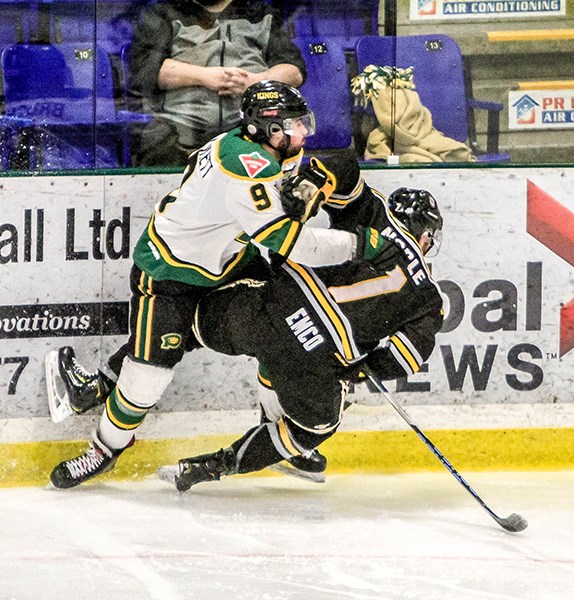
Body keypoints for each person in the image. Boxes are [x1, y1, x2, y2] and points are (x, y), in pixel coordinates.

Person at [47, 82, 400, 489]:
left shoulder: (271, 151)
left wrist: (312, 187)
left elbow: (303, 182)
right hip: (171, 271)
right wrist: (362, 245)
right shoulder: (244, 168)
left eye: (304, 122)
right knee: (149, 373)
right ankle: (103, 450)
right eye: (294, 125)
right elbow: (292, 242)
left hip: (230, 258)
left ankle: (278, 433)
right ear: (265, 129)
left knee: (279, 328)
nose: (304, 133)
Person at [157, 184, 445, 492]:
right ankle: (216, 465)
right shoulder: (430, 298)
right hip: (314, 358)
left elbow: (304, 230)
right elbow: (406, 356)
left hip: (267, 310)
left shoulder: (371, 210)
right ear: (425, 234)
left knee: (182, 330)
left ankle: (115, 379)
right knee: (312, 428)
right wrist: (364, 370)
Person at [128, 0, 306, 167]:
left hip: (250, 130)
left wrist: (254, 82)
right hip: (179, 130)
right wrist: (204, 76)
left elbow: (294, 71)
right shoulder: (163, 13)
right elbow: (144, 69)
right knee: (156, 141)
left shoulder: (261, 14)